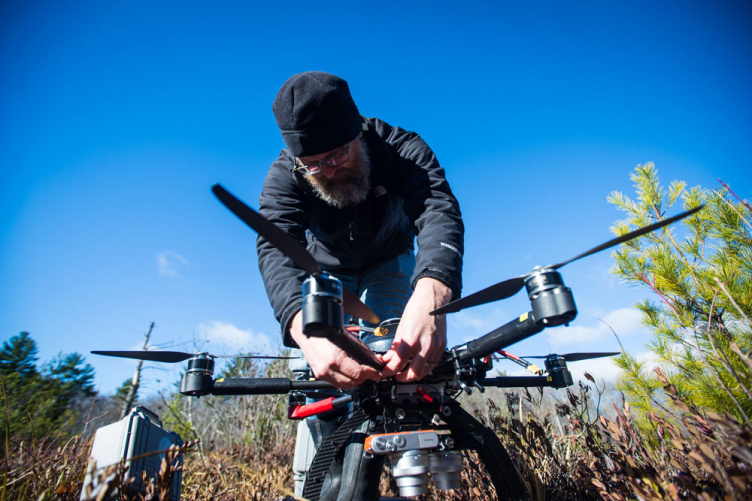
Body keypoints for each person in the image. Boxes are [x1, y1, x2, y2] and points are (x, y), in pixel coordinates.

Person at [257, 71, 464, 499]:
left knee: (395, 353)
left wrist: (433, 291)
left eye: (338, 154)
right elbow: (275, 244)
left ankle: (399, 463)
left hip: (391, 259)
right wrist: (300, 324)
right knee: (320, 368)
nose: (328, 171)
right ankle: (334, 478)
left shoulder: (402, 147)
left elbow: (437, 208)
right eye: (313, 164)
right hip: (324, 274)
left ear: (358, 134)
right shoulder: (285, 175)